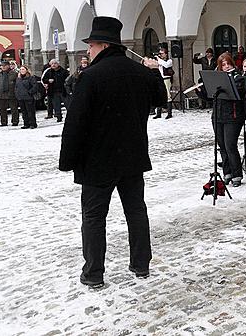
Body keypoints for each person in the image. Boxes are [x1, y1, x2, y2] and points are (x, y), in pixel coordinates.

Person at [59, 16, 166, 288]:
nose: (88, 52)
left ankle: (94, 273)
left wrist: (67, 159)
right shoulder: (140, 72)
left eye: (91, 46)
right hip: (132, 157)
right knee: (136, 212)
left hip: (98, 161)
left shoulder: (91, 76)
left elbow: (75, 122)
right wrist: (153, 71)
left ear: (104, 46)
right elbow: (161, 100)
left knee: (94, 218)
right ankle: (141, 264)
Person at [214, 52, 246, 187]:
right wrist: (201, 90)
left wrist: (229, 81)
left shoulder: (238, 78)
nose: (226, 67)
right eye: (223, 65)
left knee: (230, 146)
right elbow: (209, 97)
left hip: (233, 116)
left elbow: (239, 94)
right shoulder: (216, 79)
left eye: (228, 64)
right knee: (221, 145)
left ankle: (237, 174)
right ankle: (227, 172)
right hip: (217, 115)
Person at [0, 60, 19, 127]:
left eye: (5, 65)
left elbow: (17, 84)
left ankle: (15, 121)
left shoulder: (14, 73)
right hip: (1, 93)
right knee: (2, 109)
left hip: (11, 93)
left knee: (14, 109)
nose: (3, 67)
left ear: (8, 66)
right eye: (2, 66)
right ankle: (4, 122)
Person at [154, 47, 173, 119]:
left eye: (162, 53)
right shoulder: (159, 61)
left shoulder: (169, 61)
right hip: (160, 78)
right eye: (159, 54)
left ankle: (169, 113)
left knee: (168, 95)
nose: (160, 55)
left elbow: (166, 65)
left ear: (166, 54)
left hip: (166, 79)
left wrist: (159, 60)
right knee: (159, 94)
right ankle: (158, 113)